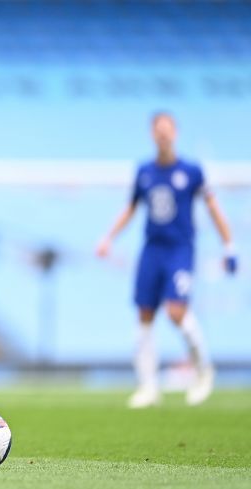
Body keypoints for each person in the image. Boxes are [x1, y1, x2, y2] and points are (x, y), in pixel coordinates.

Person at [96, 112, 236, 408]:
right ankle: (148, 385)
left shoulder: (192, 171)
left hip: (180, 250)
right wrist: (108, 238)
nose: (163, 135)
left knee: (176, 312)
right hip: (152, 249)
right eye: (158, 130)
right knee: (145, 315)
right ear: (151, 134)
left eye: (167, 130)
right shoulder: (145, 171)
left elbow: (213, 208)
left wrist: (230, 246)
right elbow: (131, 208)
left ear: (175, 133)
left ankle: (203, 370)